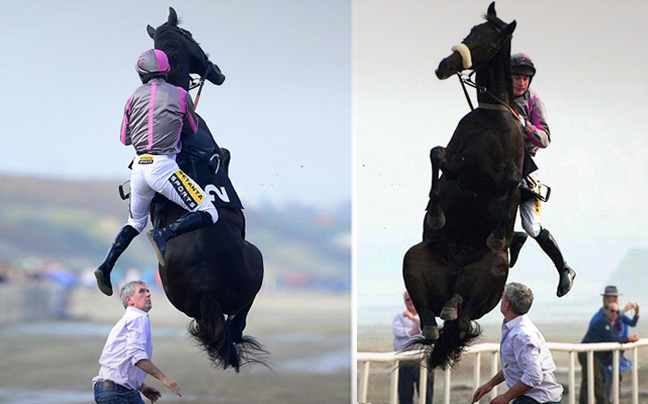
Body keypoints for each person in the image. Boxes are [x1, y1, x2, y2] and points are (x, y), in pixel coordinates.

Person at [95, 49, 219, 296]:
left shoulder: (132, 98)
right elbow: (192, 130)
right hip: (163, 168)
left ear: (140, 73)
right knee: (209, 212)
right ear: (167, 71)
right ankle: (164, 234)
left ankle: (106, 266)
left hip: (138, 170)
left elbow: (124, 138)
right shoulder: (181, 95)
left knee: (135, 222)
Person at [507, 53, 576, 298]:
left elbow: (545, 139)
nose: (521, 83)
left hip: (526, 164)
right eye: (516, 77)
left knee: (531, 226)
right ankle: (511, 240)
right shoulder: (499, 94)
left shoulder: (535, 102)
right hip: (500, 159)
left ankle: (564, 268)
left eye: (525, 79)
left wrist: (524, 124)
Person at [472, 283, 563, 404]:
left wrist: (506, 398)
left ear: (507, 305)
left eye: (502, 298)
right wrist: (490, 384)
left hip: (538, 400)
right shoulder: (515, 329)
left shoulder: (522, 335)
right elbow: (514, 365)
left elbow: (533, 376)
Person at [92, 280, 181, 403]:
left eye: (148, 291)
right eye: (141, 291)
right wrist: (163, 378)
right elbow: (136, 355)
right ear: (129, 300)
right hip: (117, 393)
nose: (148, 294)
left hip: (116, 390)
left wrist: (142, 387)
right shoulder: (137, 317)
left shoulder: (132, 318)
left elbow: (121, 362)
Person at [578, 301, 639, 404]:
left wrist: (636, 313)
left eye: (616, 311)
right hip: (588, 353)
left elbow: (628, 324)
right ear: (606, 310)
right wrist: (627, 338)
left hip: (595, 354)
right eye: (612, 311)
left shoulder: (612, 322)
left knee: (588, 380)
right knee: (596, 380)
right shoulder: (603, 322)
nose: (614, 313)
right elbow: (611, 337)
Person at [393, 291, 434, 404]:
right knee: (405, 396)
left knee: (426, 396)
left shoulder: (427, 316)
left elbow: (428, 330)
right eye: (407, 300)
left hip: (424, 361)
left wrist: (412, 319)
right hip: (405, 361)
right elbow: (398, 333)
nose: (410, 302)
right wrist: (415, 331)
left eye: (412, 299)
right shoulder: (399, 317)